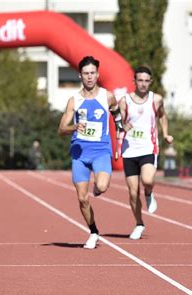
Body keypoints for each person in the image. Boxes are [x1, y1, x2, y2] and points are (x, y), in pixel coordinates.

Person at [57, 56, 120, 249]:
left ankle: (98, 188)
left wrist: (119, 141)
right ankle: (93, 231)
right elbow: (61, 129)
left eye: (93, 73)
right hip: (80, 154)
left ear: (97, 75)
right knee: (82, 198)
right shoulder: (74, 101)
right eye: (86, 73)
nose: (90, 77)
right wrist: (75, 126)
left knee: (102, 186)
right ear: (80, 75)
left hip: (101, 151)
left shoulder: (106, 96)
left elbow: (117, 115)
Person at [119, 66, 173, 240]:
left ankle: (149, 193)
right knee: (133, 193)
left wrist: (165, 134)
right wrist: (121, 126)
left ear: (150, 82)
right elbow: (117, 122)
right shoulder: (125, 100)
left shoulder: (156, 99)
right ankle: (139, 223)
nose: (143, 84)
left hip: (148, 147)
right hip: (129, 150)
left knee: (147, 180)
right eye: (140, 80)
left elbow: (163, 116)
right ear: (134, 82)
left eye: (146, 81)